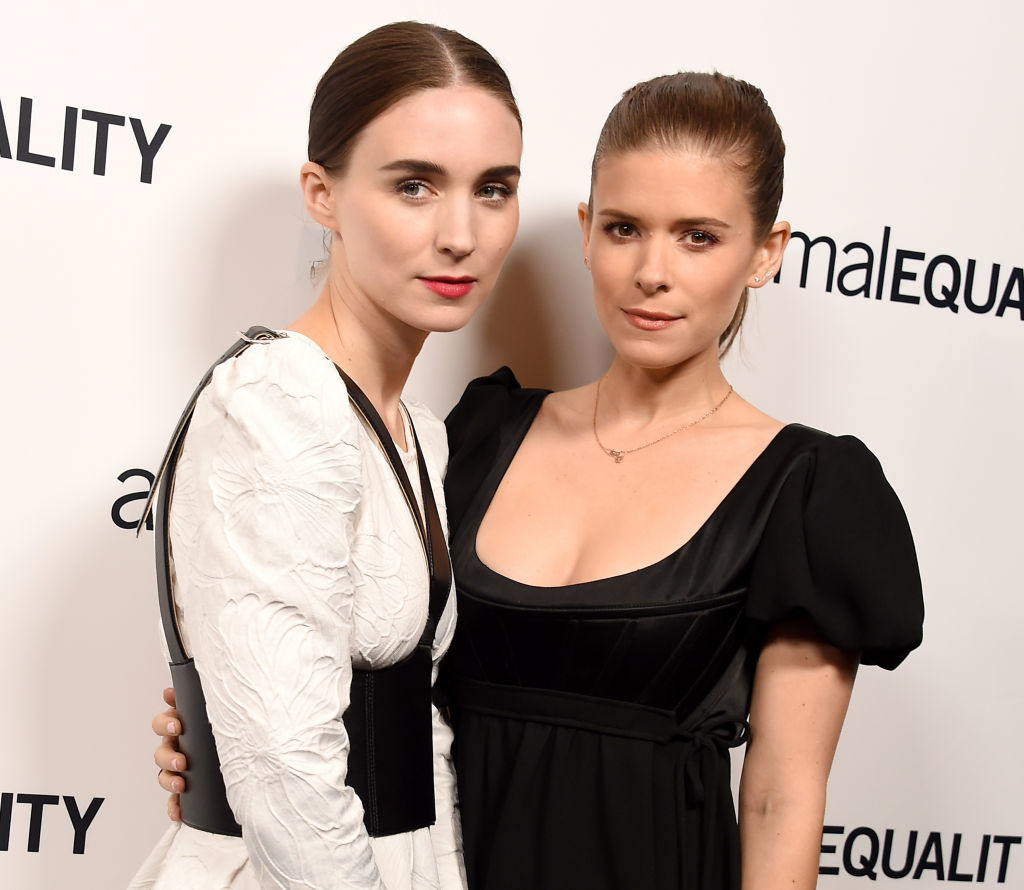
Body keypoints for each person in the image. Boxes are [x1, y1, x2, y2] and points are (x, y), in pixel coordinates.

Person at [153, 71, 923, 890]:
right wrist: (216, 733)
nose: (652, 272)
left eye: (699, 236)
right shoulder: (479, 436)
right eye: (625, 228)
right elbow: (365, 668)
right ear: (587, 233)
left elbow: (780, 802)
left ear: (765, 251)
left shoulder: (810, 491)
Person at [129, 21, 522, 890]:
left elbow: (418, 734)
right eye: (414, 185)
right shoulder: (281, 397)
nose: (462, 234)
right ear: (322, 193)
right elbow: (286, 775)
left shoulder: (421, 430)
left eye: (493, 189)